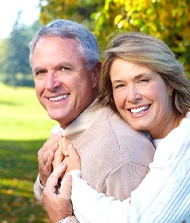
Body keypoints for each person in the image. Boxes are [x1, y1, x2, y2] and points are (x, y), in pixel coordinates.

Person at [43, 32, 190, 223]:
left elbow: (136, 220)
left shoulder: (184, 142)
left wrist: (73, 183)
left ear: (170, 83)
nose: (132, 96)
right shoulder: (149, 134)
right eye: (120, 85)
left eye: (143, 80)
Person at [29, 20, 155, 222]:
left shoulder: (121, 157)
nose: (50, 84)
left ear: (96, 74)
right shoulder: (74, 130)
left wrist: (62, 219)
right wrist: (45, 181)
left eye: (64, 69)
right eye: (41, 72)